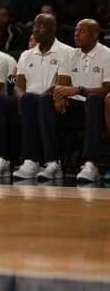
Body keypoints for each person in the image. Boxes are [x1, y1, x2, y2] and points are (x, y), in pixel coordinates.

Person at [0, 13, 73, 179]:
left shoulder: (67, 52)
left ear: (53, 29)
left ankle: (32, 161)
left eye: (41, 25)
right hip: (26, 103)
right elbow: (19, 86)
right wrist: (21, 99)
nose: (36, 29)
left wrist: (30, 100)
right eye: (34, 26)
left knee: (33, 100)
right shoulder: (26, 55)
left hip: (52, 103)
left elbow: (62, 84)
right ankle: (1, 159)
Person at [37, 19, 110, 182]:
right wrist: (59, 95)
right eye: (76, 31)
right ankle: (52, 162)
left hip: (98, 109)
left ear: (95, 35)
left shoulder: (107, 54)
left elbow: (108, 88)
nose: (76, 34)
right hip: (75, 108)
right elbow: (61, 85)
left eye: (82, 31)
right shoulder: (69, 55)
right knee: (45, 100)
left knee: (93, 99)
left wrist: (79, 89)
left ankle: (90, 164)